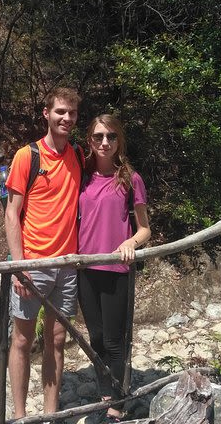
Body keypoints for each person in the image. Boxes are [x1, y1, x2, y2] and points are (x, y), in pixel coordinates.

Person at [4, 87, 83, 418]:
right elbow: (11, 213)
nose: (66, 118)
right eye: (60, 112)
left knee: (57, 340)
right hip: (33, 263)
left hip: (67, 265)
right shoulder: (28, 156)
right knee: (22, 341)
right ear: (46, 114)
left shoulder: (78, 155)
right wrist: (19, 265)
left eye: (72, 114)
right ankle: (21, 416)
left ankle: (51, 414)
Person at [77, 114, 151, 422]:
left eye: (110, 136)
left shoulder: (130, 178)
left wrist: (131, 242)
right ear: (90, 142)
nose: (104, 142)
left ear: (119, 140)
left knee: (113, 340)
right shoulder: (81, 176)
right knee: (94, 337)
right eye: (98, 137)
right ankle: (105, 388)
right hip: (84, 267)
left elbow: (145, 229)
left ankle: (118, 402)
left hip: (116, 270)